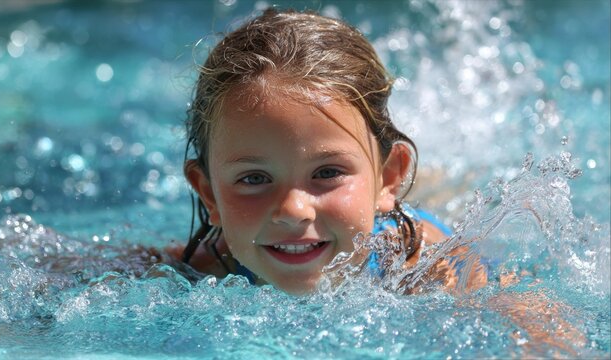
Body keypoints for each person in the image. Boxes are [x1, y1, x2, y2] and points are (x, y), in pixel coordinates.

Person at [166, 8, 487, 295]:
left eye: (327, 172)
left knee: (445, 194)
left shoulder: (423, 263)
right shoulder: (205, 268)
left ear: (389, 178)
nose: (293, 209)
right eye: (253, 178)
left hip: (406, 221)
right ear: (208, 193)